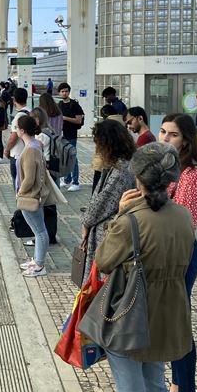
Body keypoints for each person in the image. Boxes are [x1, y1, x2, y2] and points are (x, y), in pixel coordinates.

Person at [95, 142, 197, 392]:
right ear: (171, 181)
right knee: (157, 390)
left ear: (137, 180)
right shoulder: (183, 217)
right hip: (166, 319)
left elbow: (103, 260)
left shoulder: (132, 222)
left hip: (130, 320)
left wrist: (122, 214)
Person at [159, 113, 197, 392]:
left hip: (181, 255)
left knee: (179, 329)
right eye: (163, 132)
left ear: (186, 139)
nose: (164, 138)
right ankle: (178, 389)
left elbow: (184, 222)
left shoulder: (191, 174)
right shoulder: (169, 168)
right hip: (166, 254)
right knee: (173, 326)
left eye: (173, 135)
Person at [80, 119, 136, 283]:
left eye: (98, 144)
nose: (97, 149)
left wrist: (86, 223)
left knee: (100, 286)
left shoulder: (121, 169)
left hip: (109, 233)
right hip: (110, 231)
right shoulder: (120, 164)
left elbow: (103, 203)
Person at [16, 114, 59, 277]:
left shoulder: (30, 149)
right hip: (34, 194)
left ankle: (40, 265)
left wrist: (20, 192)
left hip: (30, 196)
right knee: (38, 230)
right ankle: (36, 260)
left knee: (40, 231)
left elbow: (29, 177)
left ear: (21, 130)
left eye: (16, 128)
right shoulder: (35, 145)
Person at [57, 82, 84, 191]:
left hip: (71, 134)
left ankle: (76, 182)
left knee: (72, 157)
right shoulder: (59, 104)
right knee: (64, 157)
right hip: (62, 134)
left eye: (66, 91)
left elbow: (79, 120)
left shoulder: (74, 104)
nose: (64, 93)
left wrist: (65, 118)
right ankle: (67, 180)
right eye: (62, 91)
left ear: (69, 92)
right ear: (59, 93)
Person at [4, 87, 31, 191]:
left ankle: (21, 204)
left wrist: (7, 150)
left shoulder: (18, 116)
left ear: (14, 99)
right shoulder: (31, 112)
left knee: (17, 181)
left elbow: (13, 137)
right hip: (29, 151)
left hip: (17, 154)